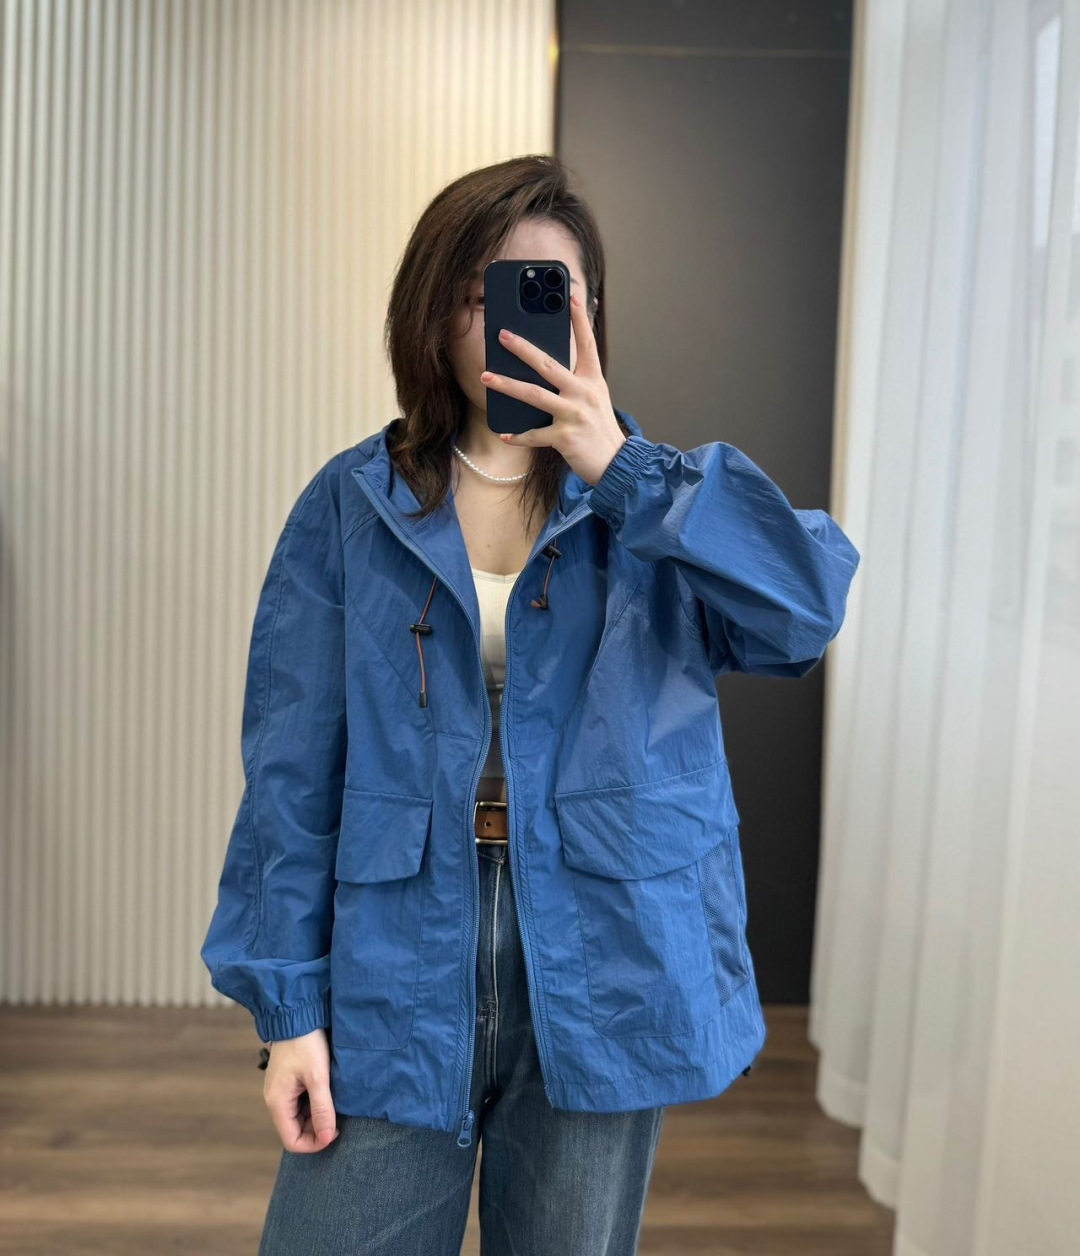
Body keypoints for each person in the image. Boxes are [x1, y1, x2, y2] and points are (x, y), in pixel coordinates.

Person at [200, 154, 861, 1255]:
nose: (512, 325)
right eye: (481, 293)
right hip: (394, 954)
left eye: (548, 293)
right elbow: (289, 775)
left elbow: (804, 611)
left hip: (607, 953)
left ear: (590, 313)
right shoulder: (350, 505)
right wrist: (289, 1013)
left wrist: (623, 468)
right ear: (432, 313)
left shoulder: (652, 501)